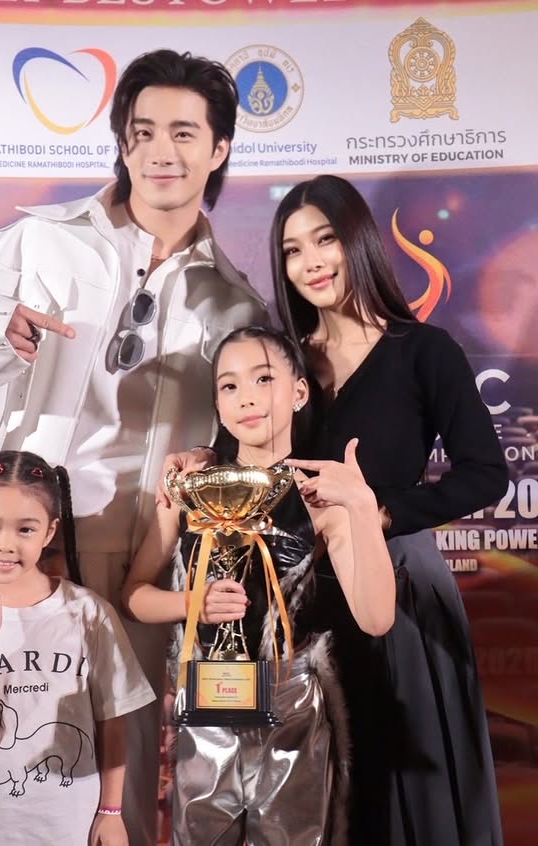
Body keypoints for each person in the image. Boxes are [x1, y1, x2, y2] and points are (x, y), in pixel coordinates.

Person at [0, 49, 266, 844]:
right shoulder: (38, 242)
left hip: (137, 559)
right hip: (21, 543)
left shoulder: (234, 302)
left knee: (120, 766)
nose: (160, 151)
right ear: (122, 142)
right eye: (143, 131)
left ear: (218, 149)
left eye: (184, 132)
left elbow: (248, 437)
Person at [270, 174, 508, 846]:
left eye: (325, 240)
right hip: (302, 597)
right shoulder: (285, 364)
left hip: (398, 587)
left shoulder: (423, 350)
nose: (311, 262)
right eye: (293, 250)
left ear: (359, 241)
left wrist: (378, 516)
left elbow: (486, 473)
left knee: (406, 789)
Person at [124, 326, 396, 846]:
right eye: (229, 386)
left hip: (291, 710)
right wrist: (192, 604)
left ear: (299, 391)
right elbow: (134, 595)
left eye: (264, 378)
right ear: (217, 405)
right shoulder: (189, 489)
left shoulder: (320, 497)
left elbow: (377, 617)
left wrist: (361, 507)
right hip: (206, 711)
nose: (246, 397)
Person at [0, 450, 154, 846]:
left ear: (49, 532)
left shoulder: (89, 614)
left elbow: (112, 720)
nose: (6, 545)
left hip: (67, 825)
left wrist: (111, 812)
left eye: (25, 529)